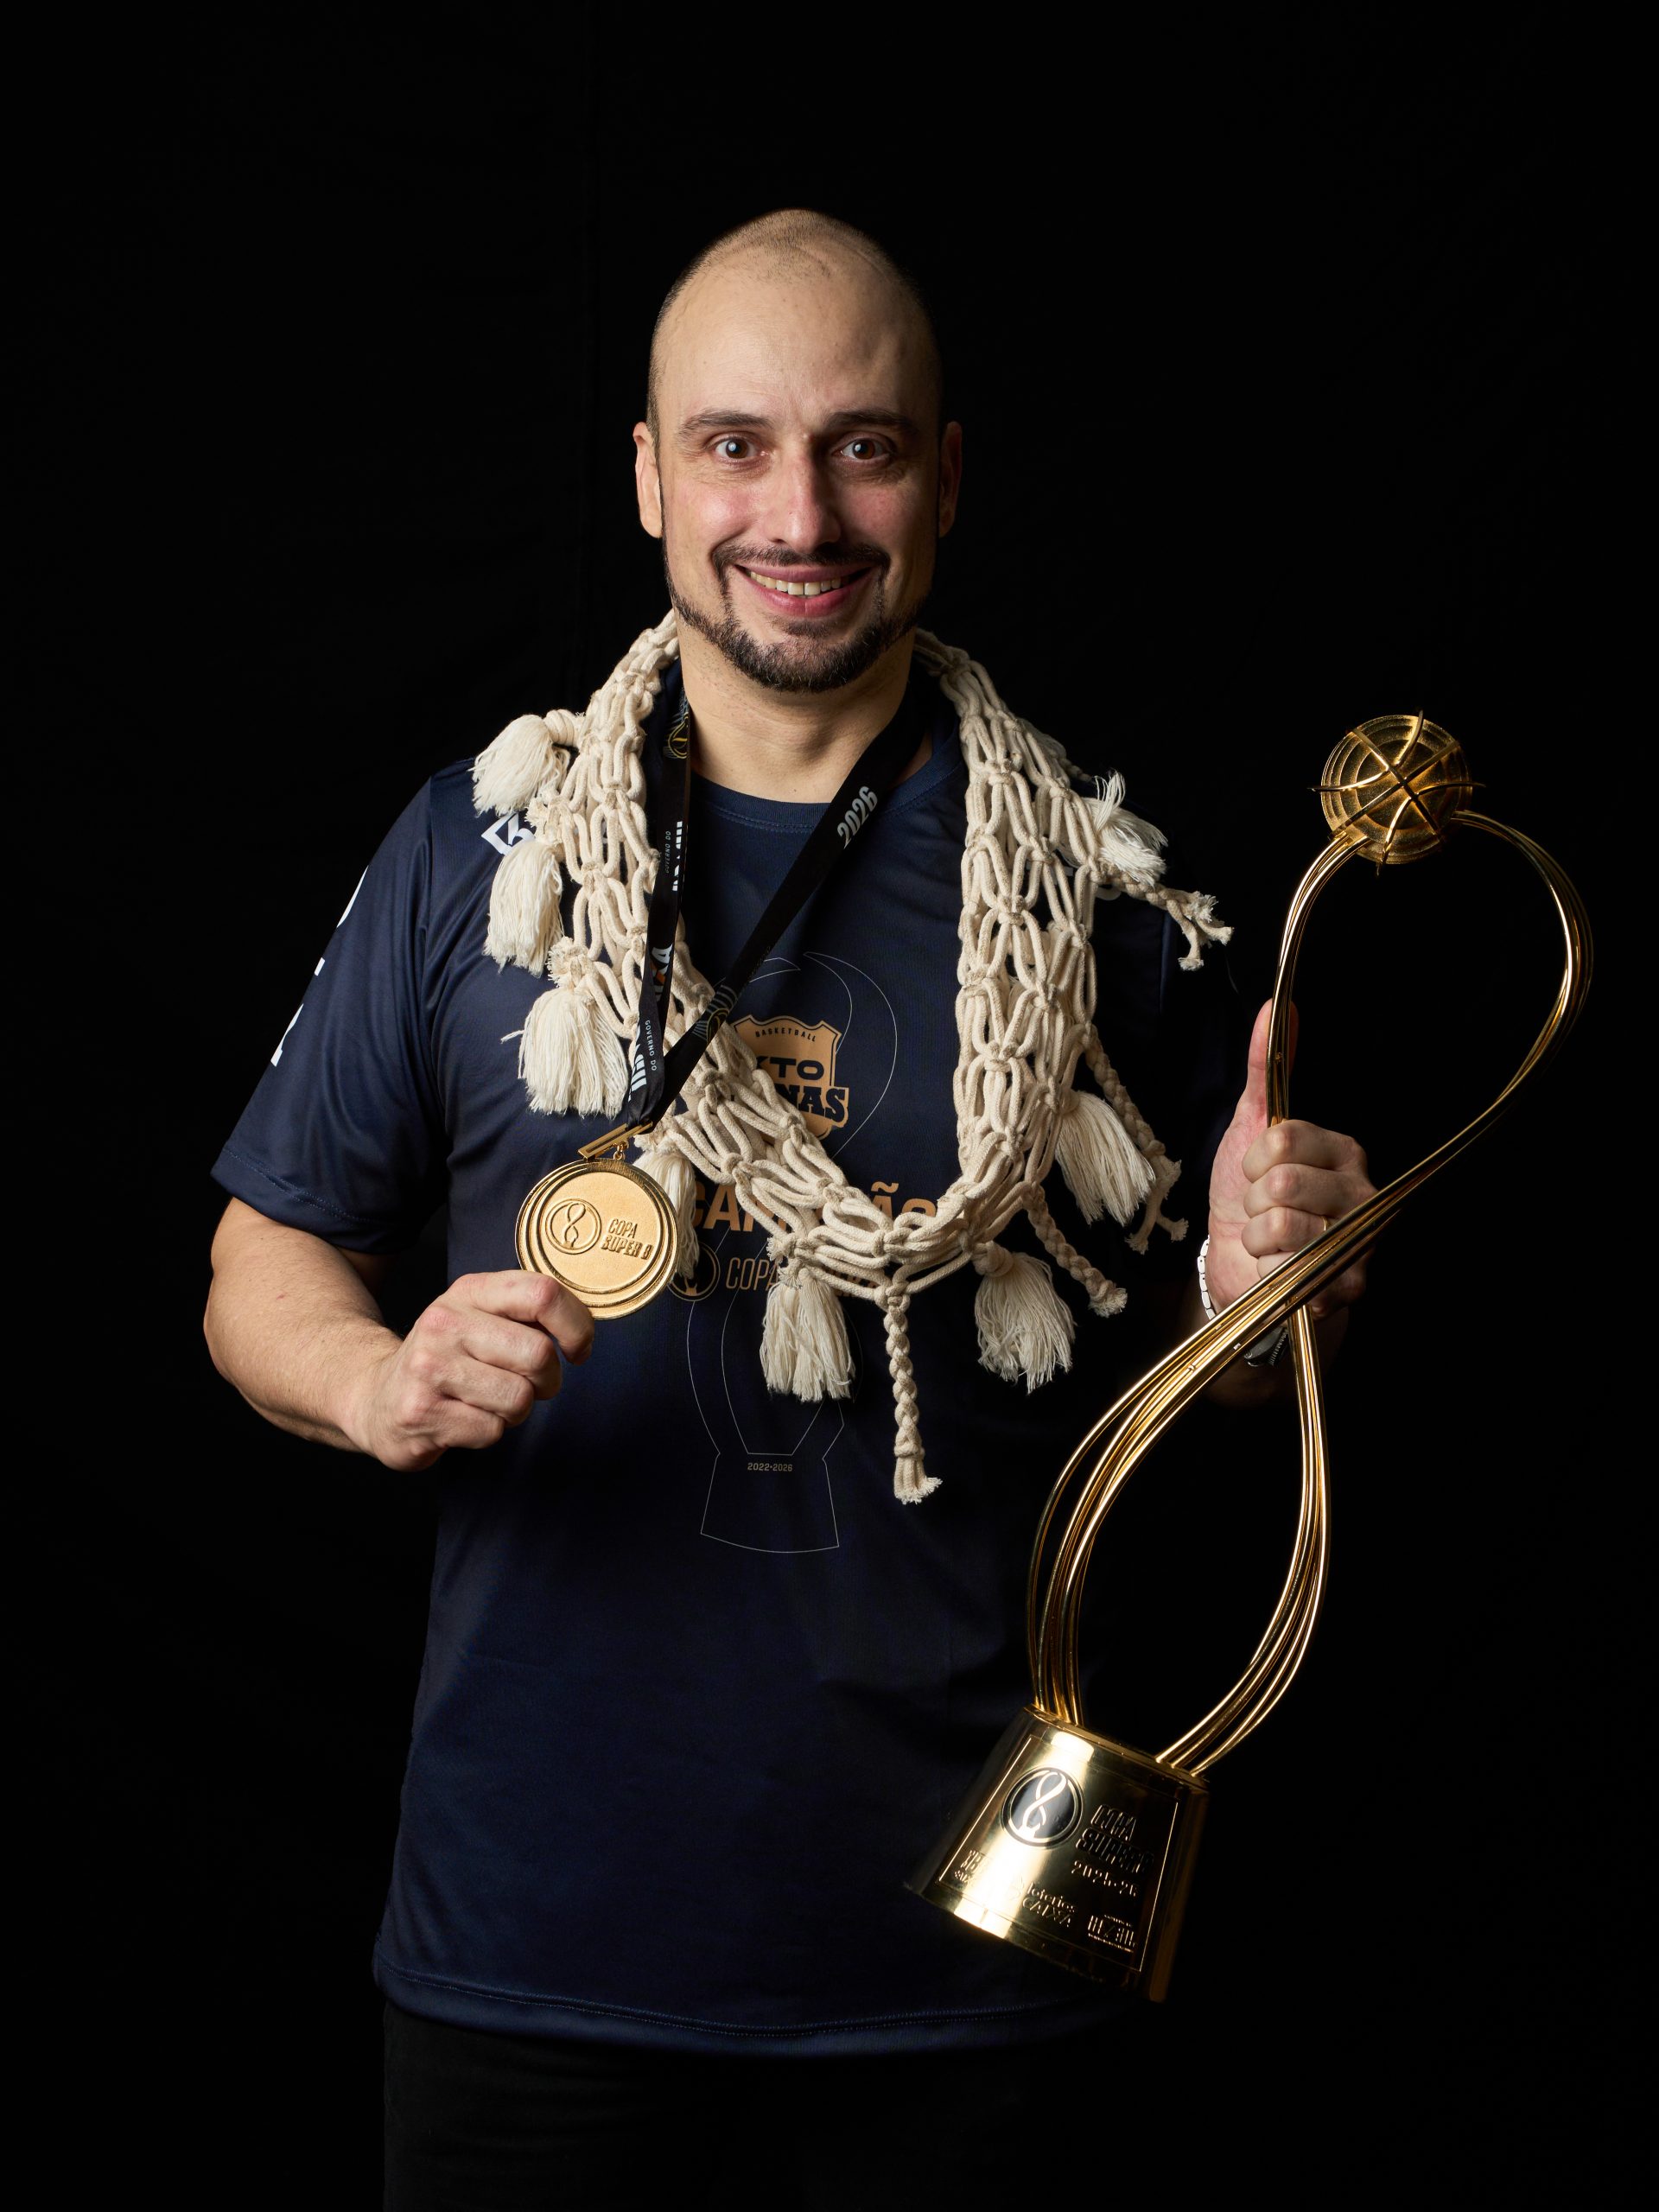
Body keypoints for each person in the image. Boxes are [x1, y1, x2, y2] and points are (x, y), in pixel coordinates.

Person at [204, 210, 1374, 2207]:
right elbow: (261, 1258)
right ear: (649, 476)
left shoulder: (1094, 896)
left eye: (864, 446)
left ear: (947, 476)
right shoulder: (485, 847)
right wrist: (375, 1380)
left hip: (969, 1961)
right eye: (734, 445)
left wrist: (1280, 1292)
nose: (801, 515)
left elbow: (1229, 1369)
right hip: (534, 1945)